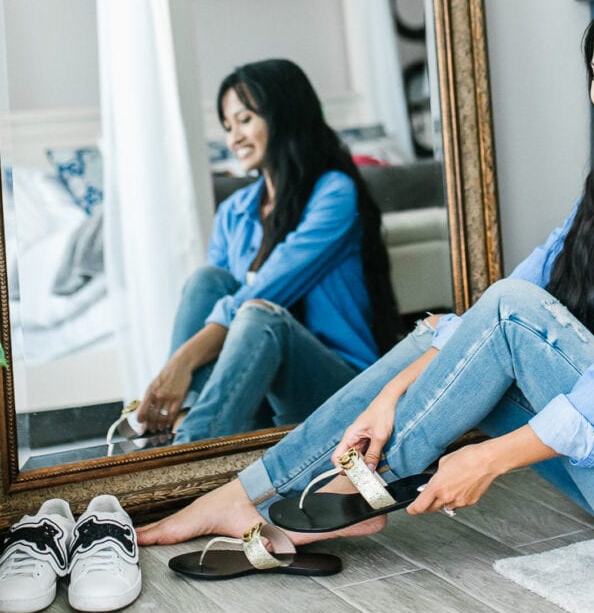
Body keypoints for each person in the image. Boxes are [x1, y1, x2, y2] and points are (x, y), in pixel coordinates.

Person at [139, 0, 594, 603]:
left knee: (511, 315)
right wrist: (391, 395)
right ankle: (251, 491)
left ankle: (343, 502)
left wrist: (486, 458)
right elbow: (499, 305)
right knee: (445, 330)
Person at [133, 59, 398, 442]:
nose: (233, 137)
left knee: (259, 315)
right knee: (208, 281)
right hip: (257, 391)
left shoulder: (335, 193)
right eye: (227, 126)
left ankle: (187, 449)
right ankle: (185, 425)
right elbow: (221, 307)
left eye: (244, 120)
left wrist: (180, 362)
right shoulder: (234, 212)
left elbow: (267, 292)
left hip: (336, 388)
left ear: (284, 114)